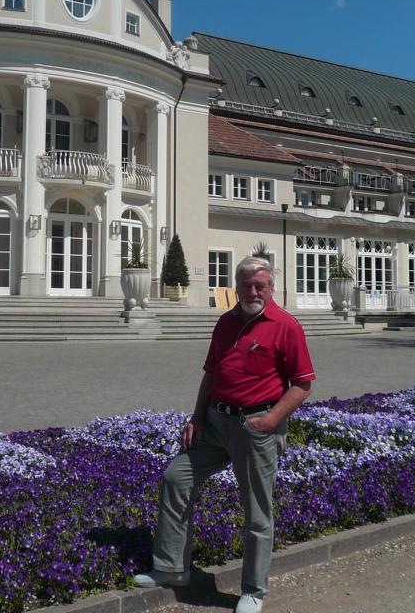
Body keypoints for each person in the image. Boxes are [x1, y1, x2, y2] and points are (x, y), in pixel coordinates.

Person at [133, 256, 314, 613]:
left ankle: (253, 591)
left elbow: (303, 384)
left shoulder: (286, 326)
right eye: (246, 285)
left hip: (256, 428)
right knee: (176, 478)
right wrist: (196, 417)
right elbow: (211, 373)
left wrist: (270, 420)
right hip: (215, 423)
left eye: (260, 285)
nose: (253, 291)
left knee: (257, 511)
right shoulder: (226, 322)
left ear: (271, 287)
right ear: (236, 287)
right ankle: (172, 568)